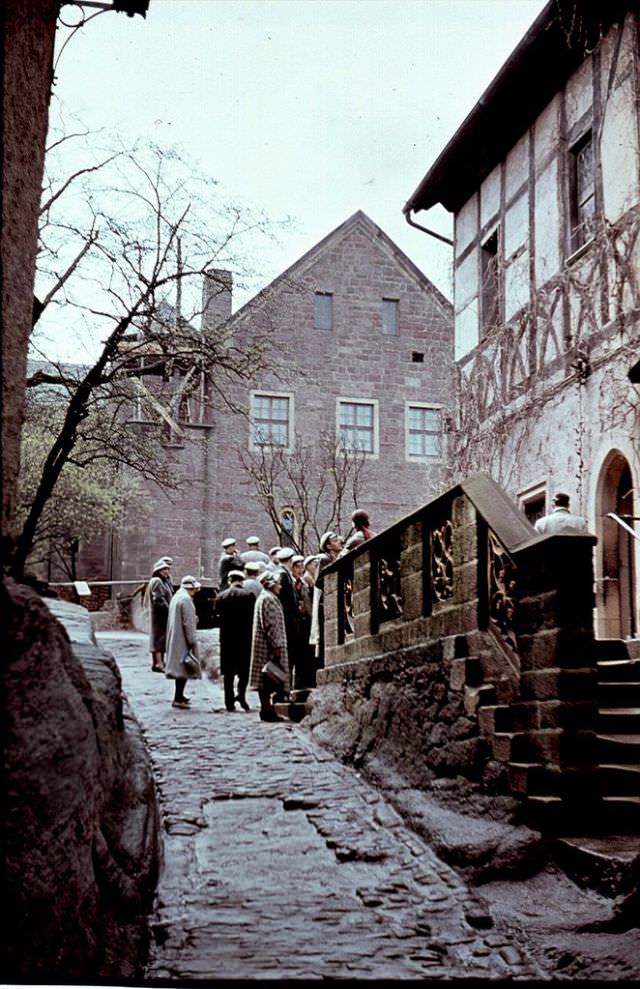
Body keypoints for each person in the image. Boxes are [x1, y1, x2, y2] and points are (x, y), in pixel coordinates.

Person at [249, 570, 290, 722]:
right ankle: (267, 710)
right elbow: (271, 625)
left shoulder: (265, 597)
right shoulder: (268, 599)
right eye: (278, 583)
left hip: (266, 646)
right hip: (269, 648)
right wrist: (276, 646)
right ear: (271, 584)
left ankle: (267, 709)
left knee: (266, 679)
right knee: (268, 679)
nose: (280, 586)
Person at [213, 570, 256, 712]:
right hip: (244, 639)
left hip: (227, 640)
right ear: (242, 581)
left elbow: (215, 618)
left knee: (228, 672)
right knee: (244, 671)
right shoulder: (249, 596)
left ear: (229, 581)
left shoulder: (220, 597)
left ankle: (229, 702)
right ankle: (241, 695)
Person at [165, 574, 202, 709]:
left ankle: (180, 695)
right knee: (183, 668)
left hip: (176, 637)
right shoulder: (186, 600)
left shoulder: (177, 597)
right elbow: (188, 622)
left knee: (181, 668)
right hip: (183, 639)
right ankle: (178, 697)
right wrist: (192, 640)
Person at [275, 546, 302, 689]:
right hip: (288, 623)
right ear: (290, 561)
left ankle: (287, 688)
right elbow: (287, 602)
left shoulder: (283, 574)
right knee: (288, 658)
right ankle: (285, 688)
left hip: (289, 622)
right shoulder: (283, 576)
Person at [148, 558, 174, 673]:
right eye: (164, 569)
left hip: (162, 614)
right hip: (160, 614)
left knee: (161, 638)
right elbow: (159, 599)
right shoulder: (157, 581)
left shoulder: (164, 581)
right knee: (159, 638)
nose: (166, 571)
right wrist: (169, 610)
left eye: (167, 569)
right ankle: (159, 663)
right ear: (158, 570)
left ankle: (159, 663)